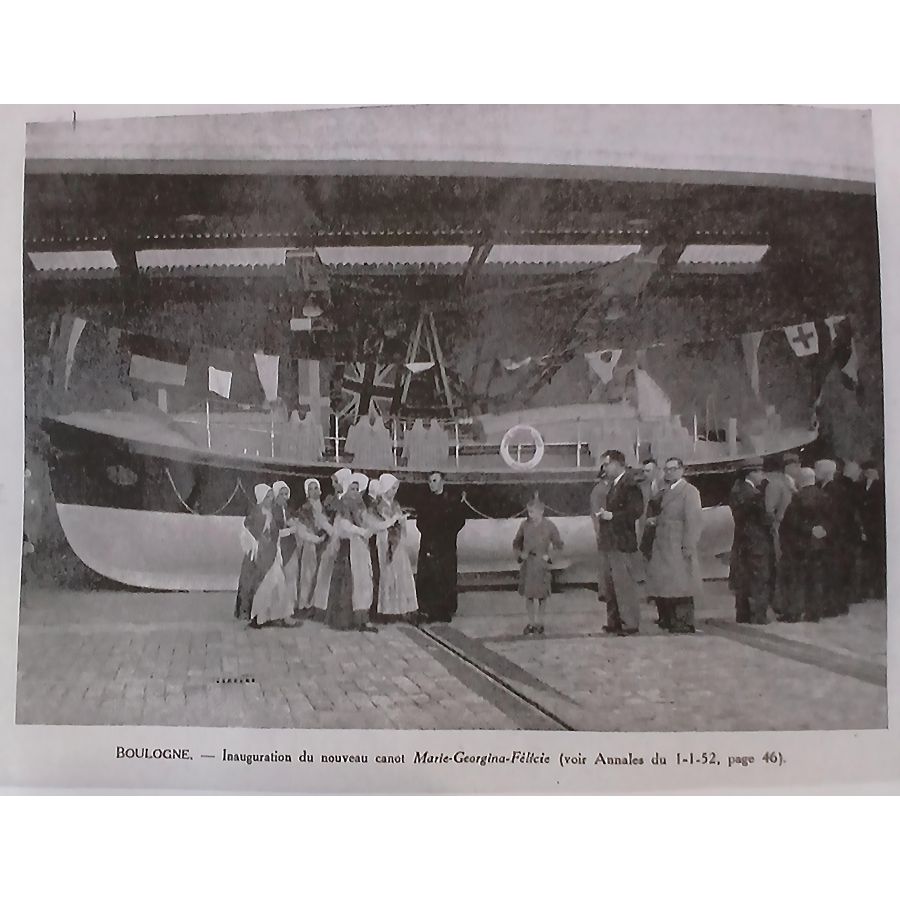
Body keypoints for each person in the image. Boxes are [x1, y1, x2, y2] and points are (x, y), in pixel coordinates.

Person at [646, 457, 703, 634]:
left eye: (673, 469)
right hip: (663, 544)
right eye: (667, 469)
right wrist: (656, 520)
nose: (669, 473)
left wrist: (688, 545)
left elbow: (694, 521)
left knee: (681, 585)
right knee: (666, 585)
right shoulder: (665, 491)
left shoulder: (689, 492)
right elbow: (666, 514)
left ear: (681, 470)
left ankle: (683, 622)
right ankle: (669, 620)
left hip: (677, 544)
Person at [592, 449, 645, 636]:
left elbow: (636, 511)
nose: (604, 468)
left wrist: (612, 516)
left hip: (621, 544)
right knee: (611, 586)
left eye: (607, 464)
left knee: (624, 586)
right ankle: (614, 621)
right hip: (610, 543)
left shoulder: (629, 485)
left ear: (618, 464)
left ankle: (629, 624)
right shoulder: (615, 485)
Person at [778, 467, 831, 622]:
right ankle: (814, 612)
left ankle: (794, 612)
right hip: (818, 543)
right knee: (816, 578)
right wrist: (823, 530)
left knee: (797, 579)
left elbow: (791, 522)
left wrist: (807, 530)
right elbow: (832, 518)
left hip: (799, 544)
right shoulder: (824, 495)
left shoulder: (798, 497)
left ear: (801, 480)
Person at [415, 471, 467, 623]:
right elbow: (420, 523)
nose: (432, 484)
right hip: (429, 543)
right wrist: (430, 535)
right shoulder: (425, 501)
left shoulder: (451, 501)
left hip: (446, 545)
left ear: (442, 481)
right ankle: (429, 610)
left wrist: (447, 534)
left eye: (435, 481)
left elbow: (459, 521)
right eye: (430, 481)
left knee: (446, 576)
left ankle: (445, 609)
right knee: (429, 577)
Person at [727, 457, 774, 624]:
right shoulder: (754, 495)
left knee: (743, 578)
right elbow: (764, 518)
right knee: (758, 578)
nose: (762, 475)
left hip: (742, 540)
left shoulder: (738, 490)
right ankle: (758, 616)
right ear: (751, 473)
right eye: (759, 471)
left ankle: (743, 614)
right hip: (756, 541)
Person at [513, 496, 564, 635]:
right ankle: (531, 623)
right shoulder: (524, 525)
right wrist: (520, 555)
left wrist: (550, 557)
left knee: (542, 596)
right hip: (528, 564)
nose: (531, 515)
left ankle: (540, 623)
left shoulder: (549, 526)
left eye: (533, 512)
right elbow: (516, 542)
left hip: (542, 565)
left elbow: (559, 545)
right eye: (529, 512)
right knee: (528, 595)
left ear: (541, 511)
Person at [375, 473, 419, 621]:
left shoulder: (396, 504)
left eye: (395, 489)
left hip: (398, 541)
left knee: (401, 573)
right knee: (388, 573)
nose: (394, 492)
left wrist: (401, 521)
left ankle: (402, 608)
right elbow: (381, 523)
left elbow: (399, 521)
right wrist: (394, 520)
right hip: (385, 541)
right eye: (392, 488)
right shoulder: (378, 505)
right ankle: (387, 609)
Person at [234, 483, 277, 621]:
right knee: (248, 582)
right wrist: (256, 540)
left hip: (266, 553)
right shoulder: (255, 512)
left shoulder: (271, 513)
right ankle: (244, 611)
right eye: (268, 497)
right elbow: (247, 529)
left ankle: (259, 612)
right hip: (254, 553)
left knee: (261, 582)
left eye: (271, 497)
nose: (270, 500)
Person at [816, 458, 851, 616]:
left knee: (833, 570)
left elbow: (838, 515)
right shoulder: (824, 487)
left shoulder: (835, 489)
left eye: (818, 469)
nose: (815, 472)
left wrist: (827, 529)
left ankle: (834, 606)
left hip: (834, 536)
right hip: (828, 534)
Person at [293, 478, 328, 616]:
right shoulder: (304, 510)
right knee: (307, 576)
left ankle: (315, 605)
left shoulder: (324, 508)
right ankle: (303, 606)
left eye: (316, 488)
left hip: (324, 544)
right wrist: (316, 539)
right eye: (311, 489)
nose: (314, 491)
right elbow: (302, 531)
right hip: (310, 545)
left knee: (320, 576)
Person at [860, 460, 886, 599]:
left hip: (876, 526)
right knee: (869, 558)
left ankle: (879, 590)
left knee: (878, 558)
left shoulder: (881, 485)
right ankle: (870, 588)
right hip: (866, 525)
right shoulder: (861, 485)